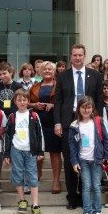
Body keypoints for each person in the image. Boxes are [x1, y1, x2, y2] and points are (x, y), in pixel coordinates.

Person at [54, 43, 103, 210]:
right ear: (71, 56)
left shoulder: (95, 75)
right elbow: (58, 101)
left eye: (80, 55)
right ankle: (72, 197)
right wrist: (58, 122)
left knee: (86, 158)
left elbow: (99, 100)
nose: (77, 57)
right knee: (70, 161)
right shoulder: (62, 76)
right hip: (69, 123)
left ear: (84, 56)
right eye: (74, 55)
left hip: (89, 122)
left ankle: (84, 196)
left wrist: (98, 120)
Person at [69, 96, 108, 214]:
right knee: (86, 186)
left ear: (92, 108)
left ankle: (97, 213)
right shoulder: (74, 125)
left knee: (96, 186)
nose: (86, 110)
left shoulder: (98, 121)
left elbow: (106, 139)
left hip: (97, 160)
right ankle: (87, 213)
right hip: (83, 160)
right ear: (79, 109)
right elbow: (72, 144)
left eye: (88, 107)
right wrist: (74, 161)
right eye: (83, 107)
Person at [4, 89, 44, 214]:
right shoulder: (12, 116)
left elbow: (40, 134)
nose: (22, 102)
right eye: (19, 100)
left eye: (24, 100)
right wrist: (7, 153)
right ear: (15, 101)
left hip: (30, 150)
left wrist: (40, 151)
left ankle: (36, 204)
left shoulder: (33, 115)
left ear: (28, 101)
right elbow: (8, 136)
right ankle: (22, 201)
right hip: (16, 150)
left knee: (32, 176)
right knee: (18, 174)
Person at [29, 61, 62, 194]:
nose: (47, 71)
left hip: (54, 122)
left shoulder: (59, 86)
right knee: (38, 151)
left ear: (54, 72)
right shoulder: (35, 87)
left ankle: (56, 181)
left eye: (50, 69)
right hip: (38, 122)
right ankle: (37, 174)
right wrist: (35, 105)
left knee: (55, 152)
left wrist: (54, 106)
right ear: (40, 72)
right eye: (45, 69)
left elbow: (64, 102)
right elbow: (27, 103)